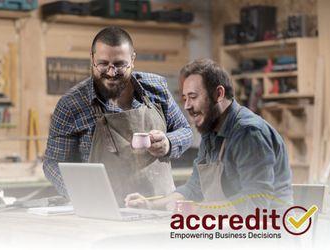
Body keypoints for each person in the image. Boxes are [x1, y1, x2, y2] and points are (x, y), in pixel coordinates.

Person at [43, 26, 193, 203]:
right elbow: (53, 164)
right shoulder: (72, 105)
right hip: (104, 212)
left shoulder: (156, 89)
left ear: (133, 59)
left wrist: (168, 143)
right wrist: (80, 194)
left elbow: (185, 131)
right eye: (103, 64)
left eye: (120, 64)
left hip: (159, 207)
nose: (111, 72)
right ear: (92, 59)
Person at [125, 59, 293, 214]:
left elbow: (257, 204)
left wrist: (197, 210)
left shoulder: (248, 133)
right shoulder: (211, 130)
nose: (187, 106)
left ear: (218, 94)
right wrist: (151, 205)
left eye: (193, 97)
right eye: (185, 98)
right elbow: (194, 188)